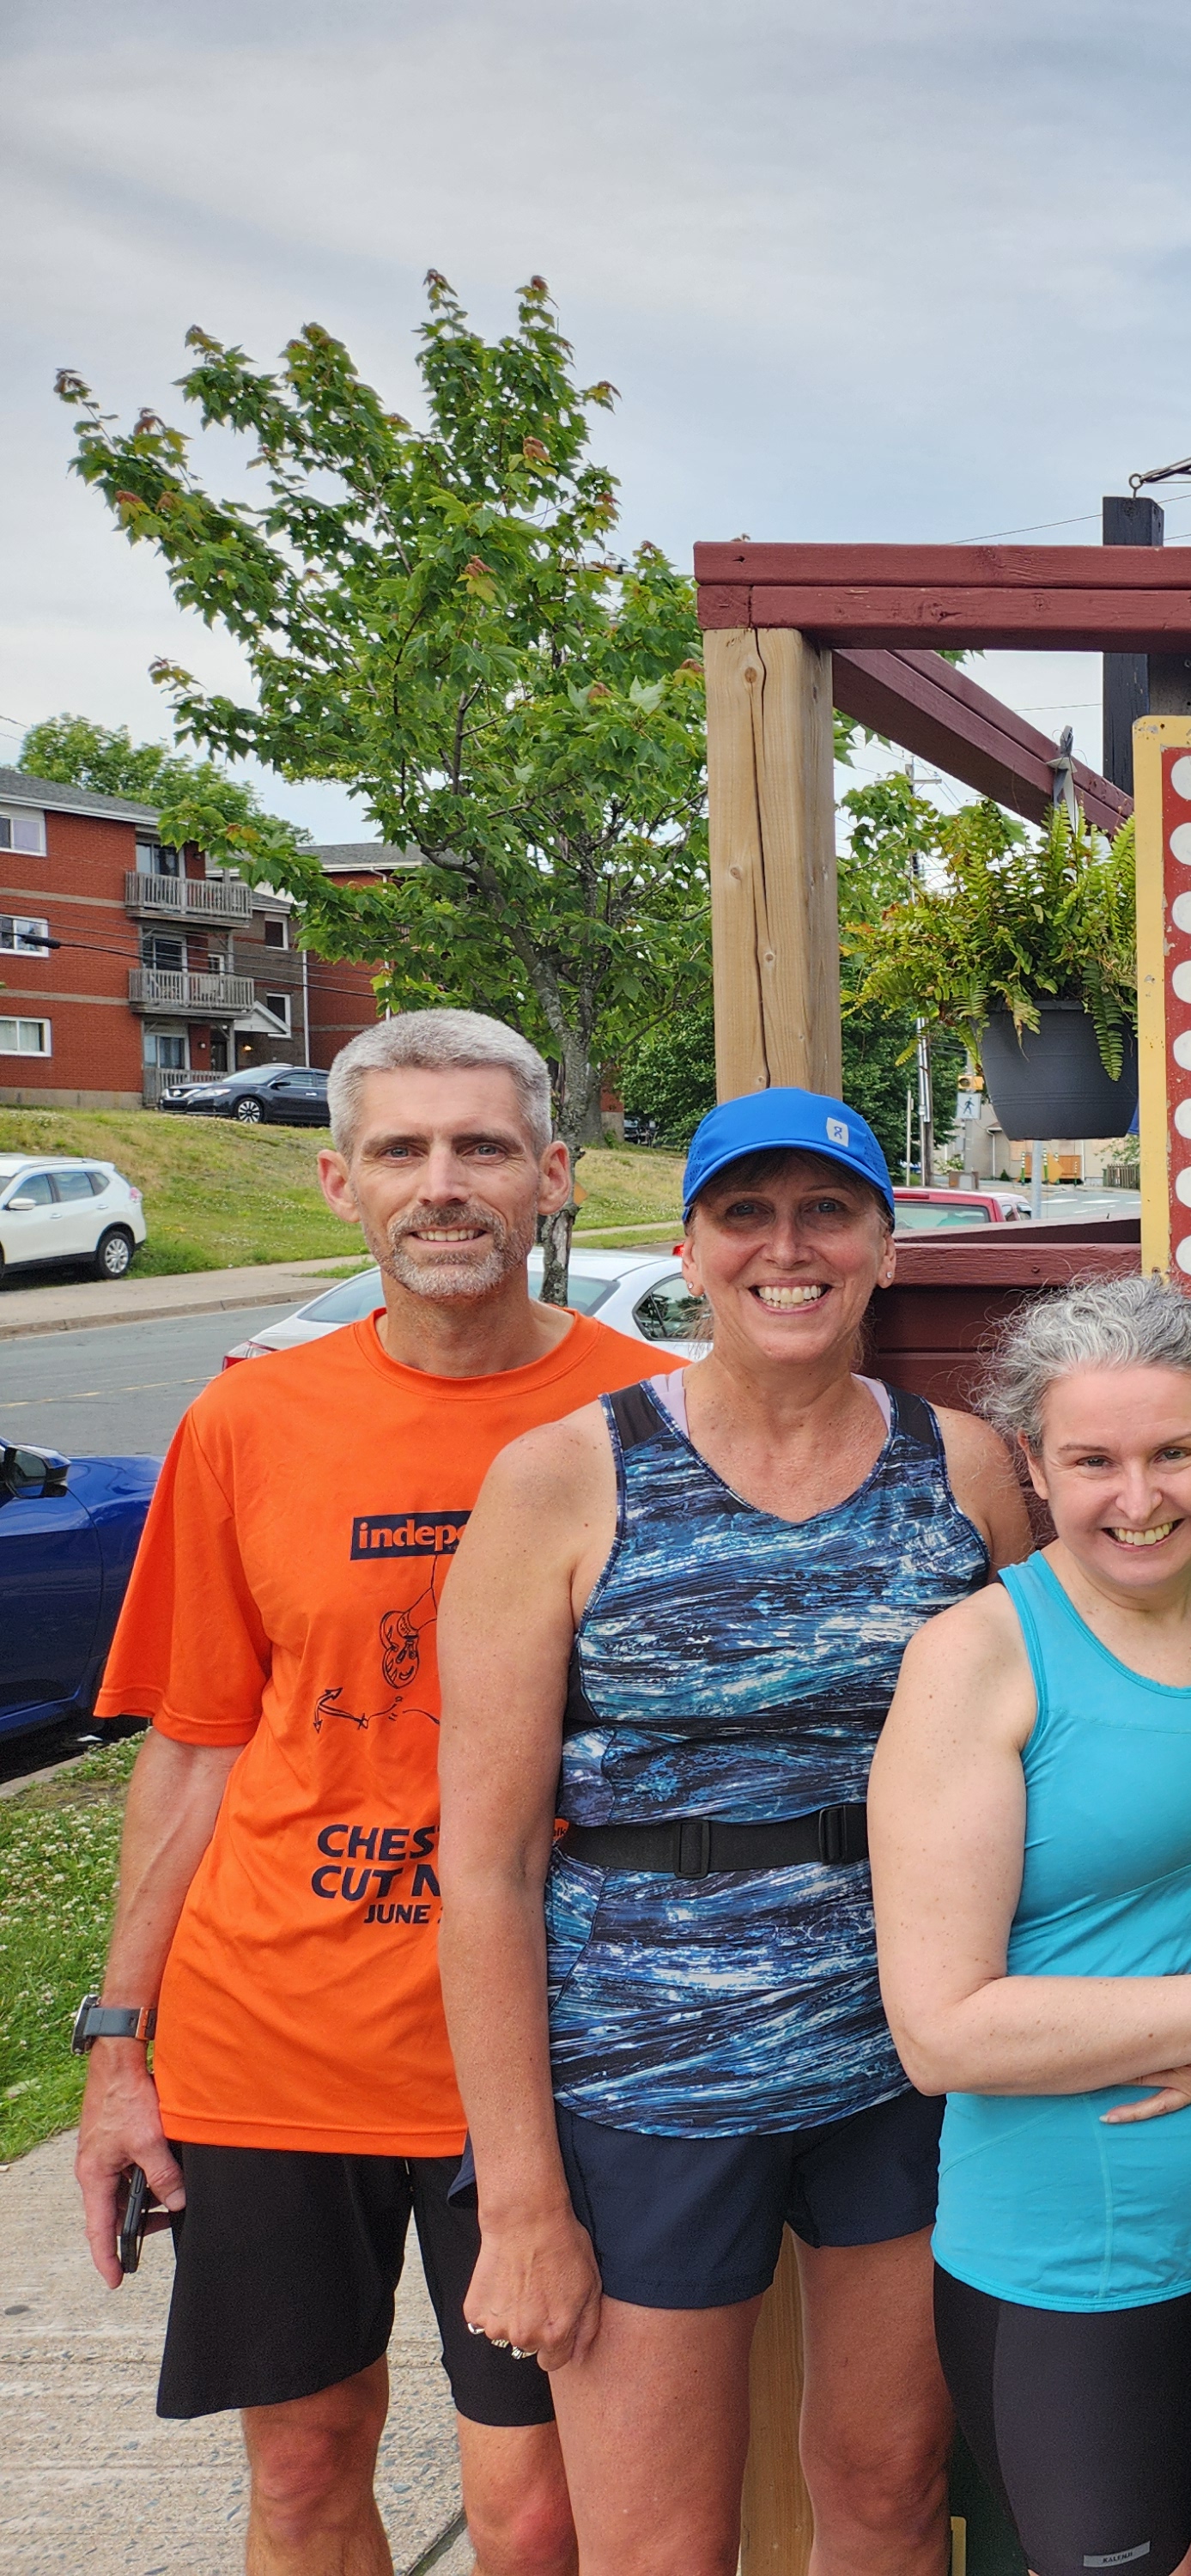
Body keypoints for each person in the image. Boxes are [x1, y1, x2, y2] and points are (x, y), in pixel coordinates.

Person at [72, 1008, 671, 2576]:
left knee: (536, 2512)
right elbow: (197, 1743)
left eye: (483, 1147)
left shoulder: (658, 1416)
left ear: (554, 1174)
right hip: (276, 2034)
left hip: (553, 2044)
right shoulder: (247, 1423)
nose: (442, 1184)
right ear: (341, 1182)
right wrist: (119, 2048)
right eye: (401, 1150)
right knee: (305, 2468)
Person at [434, 1087, 1033, 2576]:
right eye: (745, 1216)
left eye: (828, 1212)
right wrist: (519, 2197)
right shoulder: (568, 1476)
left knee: (893, 2491)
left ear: (886, 1248)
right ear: (689, 1251)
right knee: (658, 2543)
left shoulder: (962, 1470)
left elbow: (1044, 1763)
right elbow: (488, 1865)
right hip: (645, 2076)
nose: (789, 1248)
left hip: (905, 2054)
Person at [872, 1273, 1191, 2576]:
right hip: (1074, 2260)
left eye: (1175, 1454)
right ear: (1033, 1462)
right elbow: (941, 2031)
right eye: (1094, 1460)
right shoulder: (977, 1659)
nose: (1138, 1498)